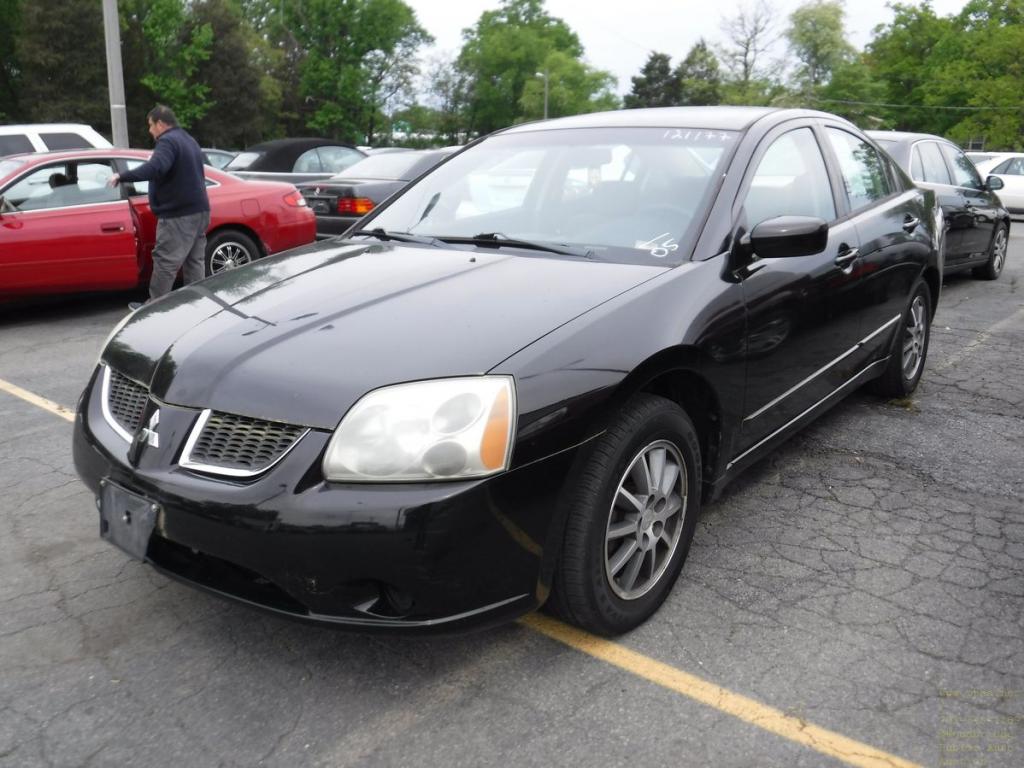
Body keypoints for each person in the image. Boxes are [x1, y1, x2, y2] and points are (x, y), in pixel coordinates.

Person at [109, 104, 210, 311]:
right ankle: (197, 306)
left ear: (161, 124)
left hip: (179, 214)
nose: (150, 130)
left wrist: (122, 176)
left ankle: (154, 307)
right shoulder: (188, 140)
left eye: (151, 125)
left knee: (166, 261)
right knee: (194, 261)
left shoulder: (168, 141)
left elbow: (156, 168)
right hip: (199, 210)